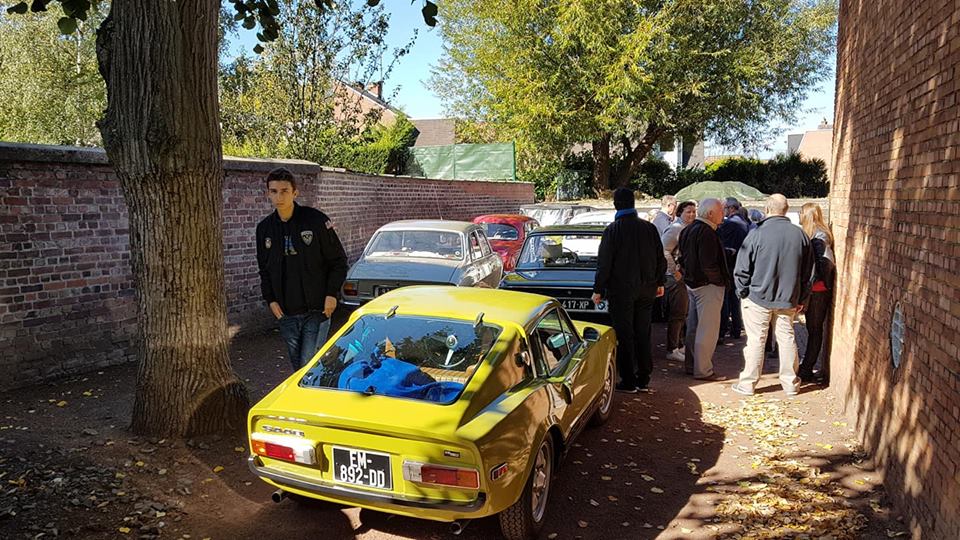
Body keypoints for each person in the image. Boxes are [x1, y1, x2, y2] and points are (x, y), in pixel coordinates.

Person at [256, 167, 348, 371]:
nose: (279, 196)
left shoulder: (316, 221)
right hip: (286, 313)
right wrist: (270, 299)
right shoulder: (264, 229)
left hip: (316, 310)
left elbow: (339, 261)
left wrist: (332, 294)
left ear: (295, 193)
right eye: (273, 191)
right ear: (268, 193)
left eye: (284, 191)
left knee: (309, 366)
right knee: (298, 369)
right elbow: (264, 269)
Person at [731, 194, 815, 396]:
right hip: (788, 298)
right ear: (786, 210)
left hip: (757, 296)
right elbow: (809, 273)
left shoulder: (757, 233)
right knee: (786, 338)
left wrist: (742, 292)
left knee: (756, 340)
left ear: (767, 209)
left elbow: (741, 268)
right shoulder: (800, 235)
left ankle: (748, 383)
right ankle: (790, 383)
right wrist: (802, 298)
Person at [593, 188, 667, 393]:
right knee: (643, 331)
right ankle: (644, 376)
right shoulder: (649, 228)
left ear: (616, 205)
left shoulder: (613, 231)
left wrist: (598, 289)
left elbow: (604, 264)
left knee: (625, 334)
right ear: (633, 204)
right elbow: (660, 258)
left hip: (621, 290)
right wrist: (660, 282)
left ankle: (628, 379)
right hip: (647, 288)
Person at [677, 198, 730, 380]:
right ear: (710, 214)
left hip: (693, 284)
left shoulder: (688, 230)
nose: (723, 214)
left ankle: (692, 365)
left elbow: (682, 258)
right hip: (707, 286)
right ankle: (703, 370)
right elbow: (708, 264)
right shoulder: (707, 232)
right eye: (720, 211)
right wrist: (719, 280)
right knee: (707, 330)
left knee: (694, 327)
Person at [797, 203, 835, 384]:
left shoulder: (818, 237)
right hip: (817, 289)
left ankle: (807, 368)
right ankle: (806, 366)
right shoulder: (818, 235)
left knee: (814, 329)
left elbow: (824, 264)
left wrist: (820, 283)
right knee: (813, 329)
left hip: (818, 290)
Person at [661, 200, 697, 362]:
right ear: (680, 212)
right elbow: (664, 250)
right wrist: (674, 271)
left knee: (683, 312)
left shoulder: (688, 228)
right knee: (677, 312)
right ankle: (672, 348)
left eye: (693, 211)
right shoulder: (675, 229)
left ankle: (679, 344)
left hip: (685, 276)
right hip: (675, 277)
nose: (691, 214)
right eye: (688, 211)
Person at [718, 198, 750, 342]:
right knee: (735, 299)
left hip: (728, 265)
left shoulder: (729, 224)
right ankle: (736, 328)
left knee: (725, 300)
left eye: (723, 208)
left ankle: (722, 330)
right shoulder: (744, 223)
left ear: (730, 208)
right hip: (739, 265)